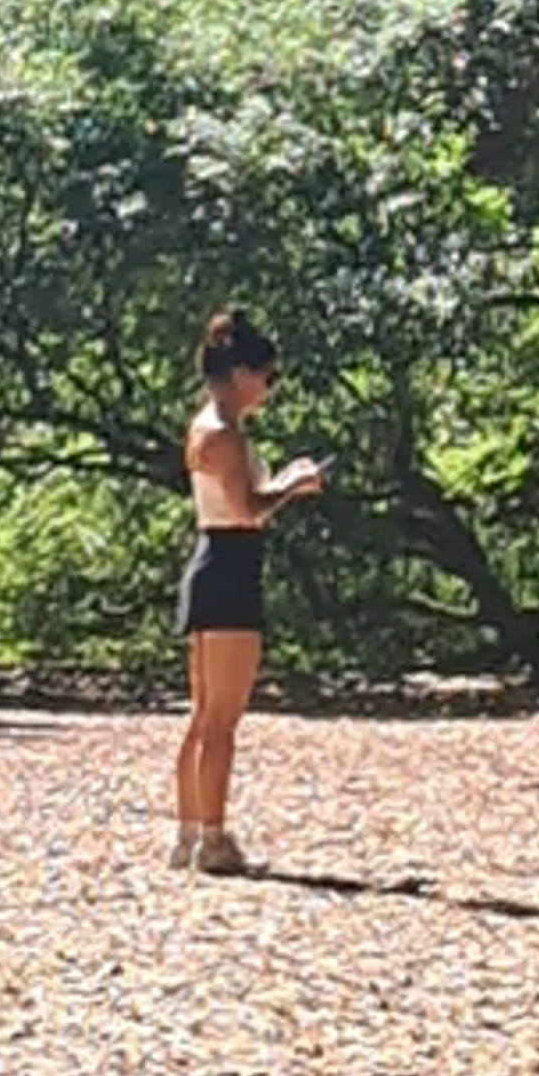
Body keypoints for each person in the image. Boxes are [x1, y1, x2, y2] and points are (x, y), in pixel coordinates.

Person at [174, 305, 323, 878]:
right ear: (240, 374)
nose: (267, 388)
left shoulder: (203, 428)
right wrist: (291, 484)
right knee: (221, 720)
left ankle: (190, 832)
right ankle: (213, 839)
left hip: (214, 561)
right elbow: (247, 509)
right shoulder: (225, 436)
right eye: (264, 376)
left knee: (203, 716)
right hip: (230, 565)